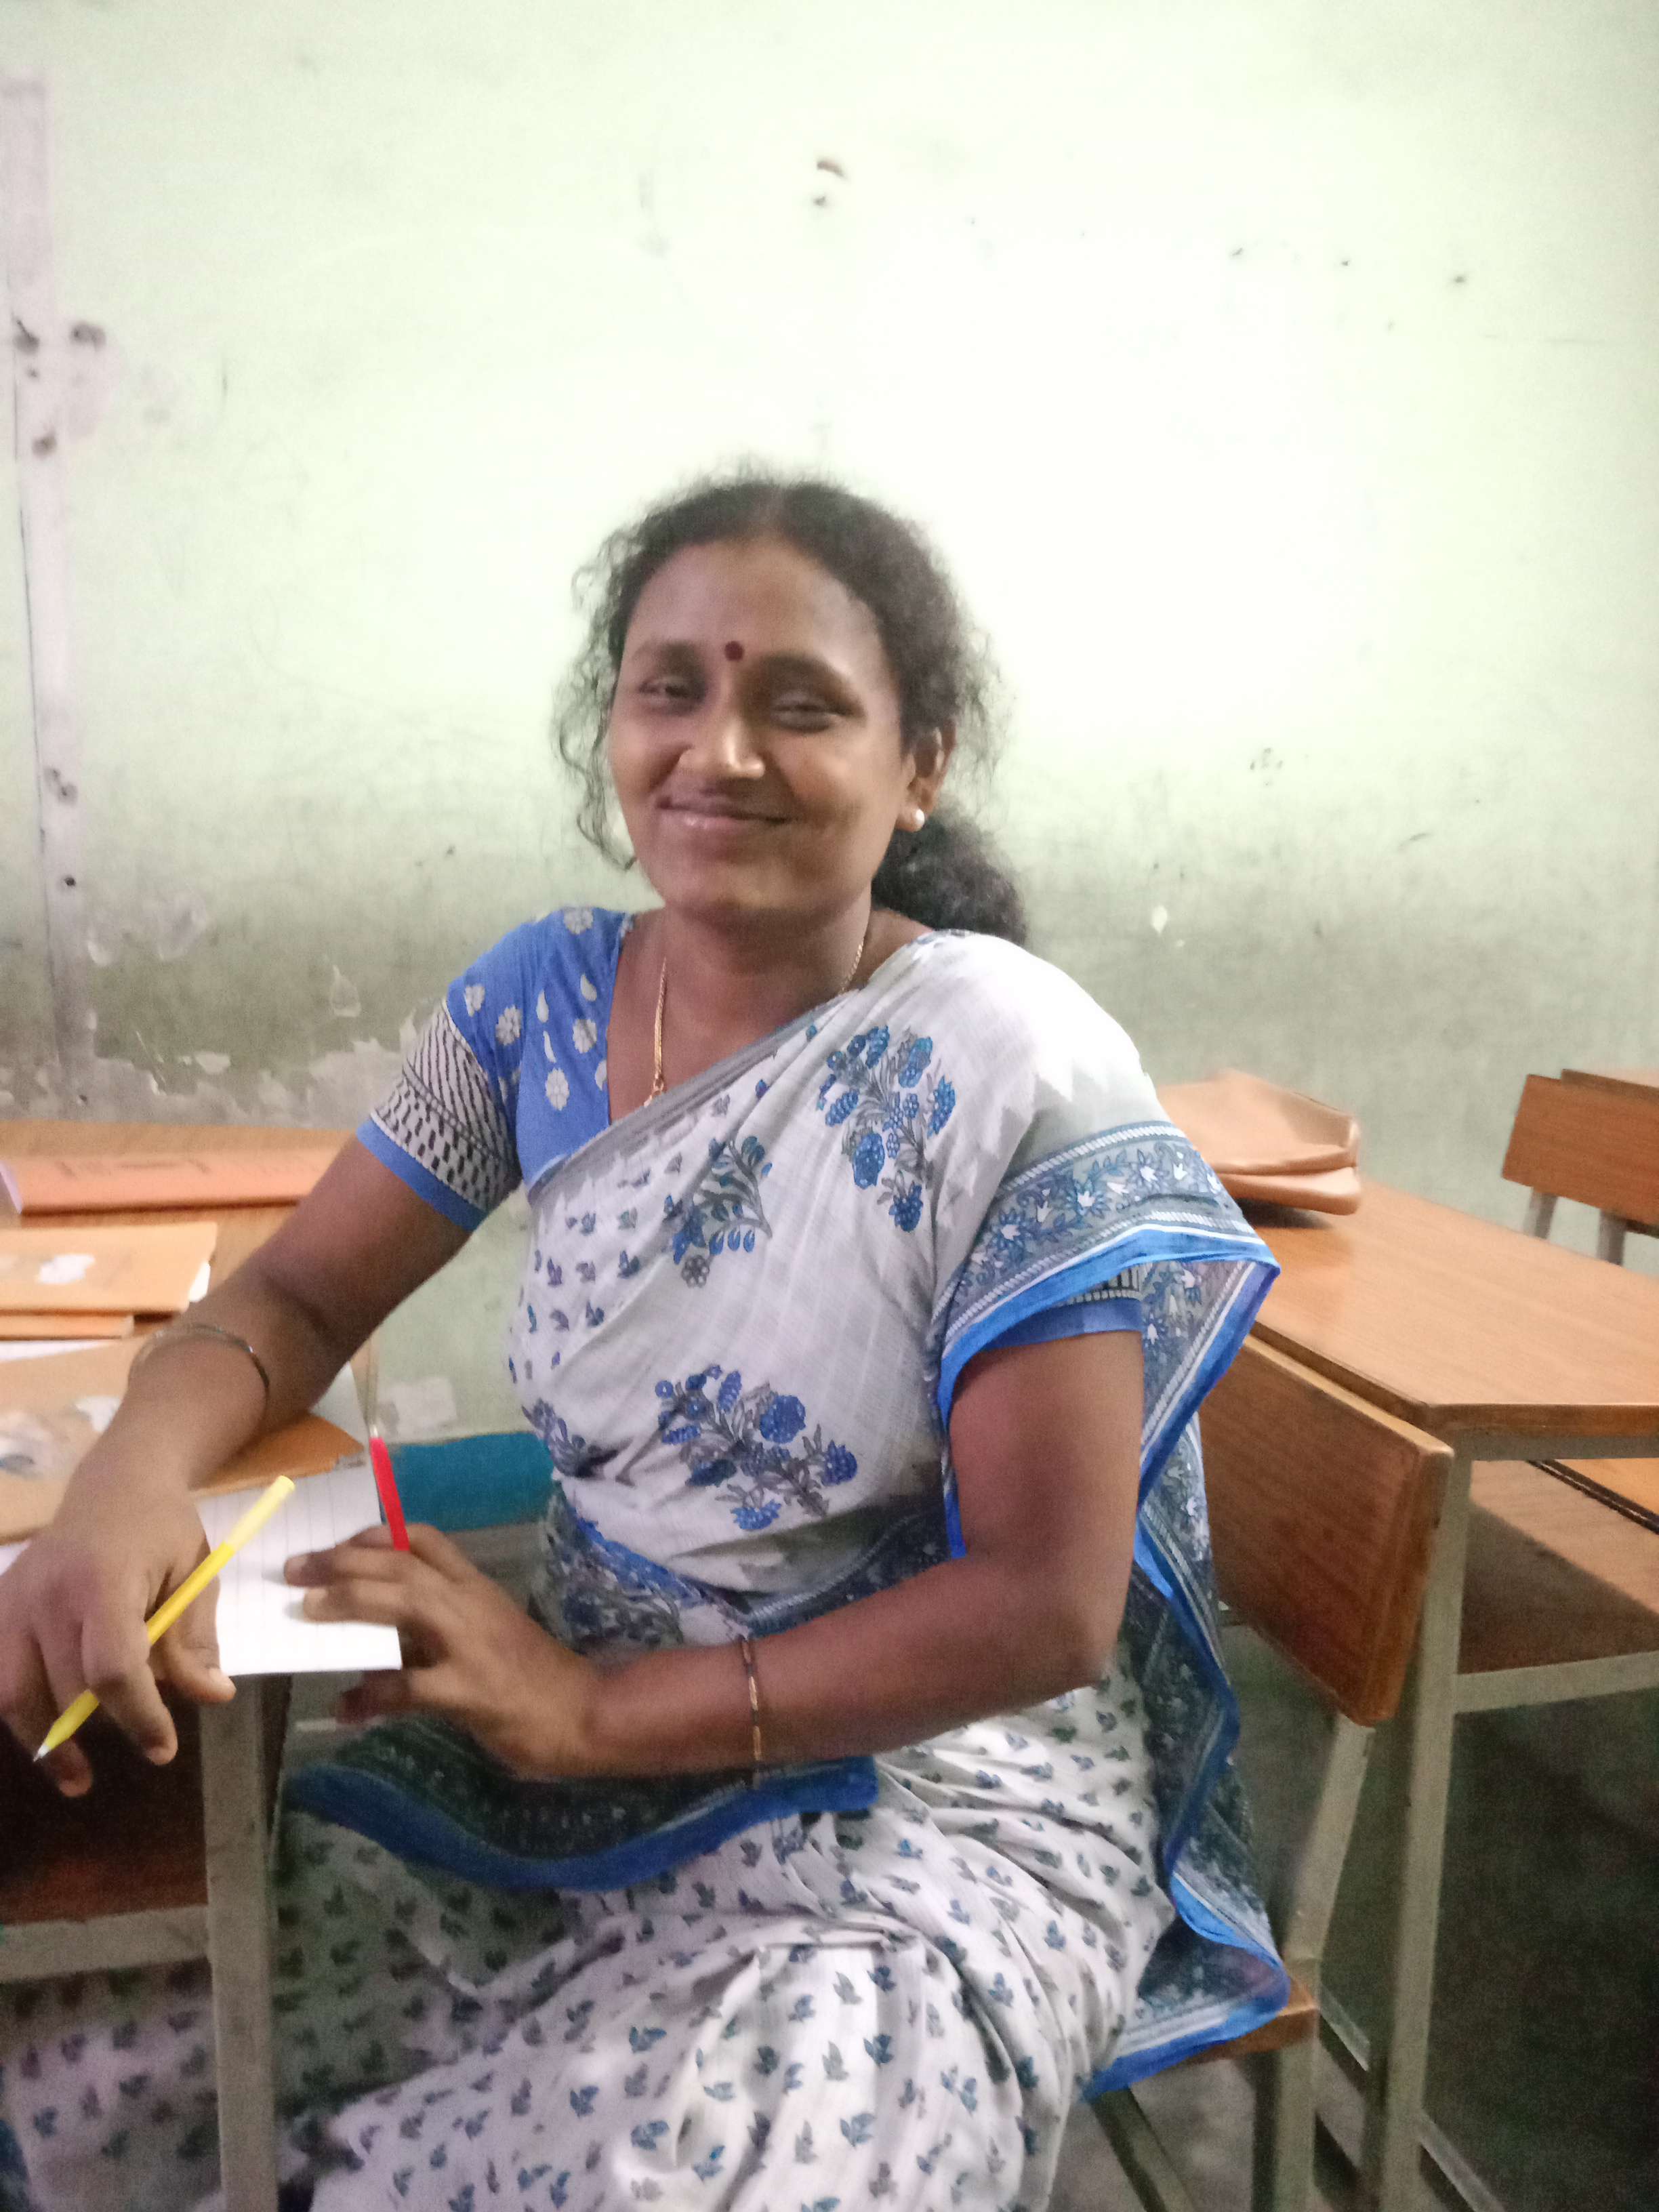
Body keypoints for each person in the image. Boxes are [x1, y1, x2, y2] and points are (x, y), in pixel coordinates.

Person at [0, 474, 1284, 2212]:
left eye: (800, 705)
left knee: (689, 2173)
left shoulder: (1011, 1074)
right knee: (98, 2037)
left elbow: (1044, 1610)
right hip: (565, 1752)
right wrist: (120, 1492)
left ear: (920, 762)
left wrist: (600, 1713)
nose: (718, 752)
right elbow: (295, 1297)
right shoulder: (536, 1005)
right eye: (669, 688)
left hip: (914, 1792)